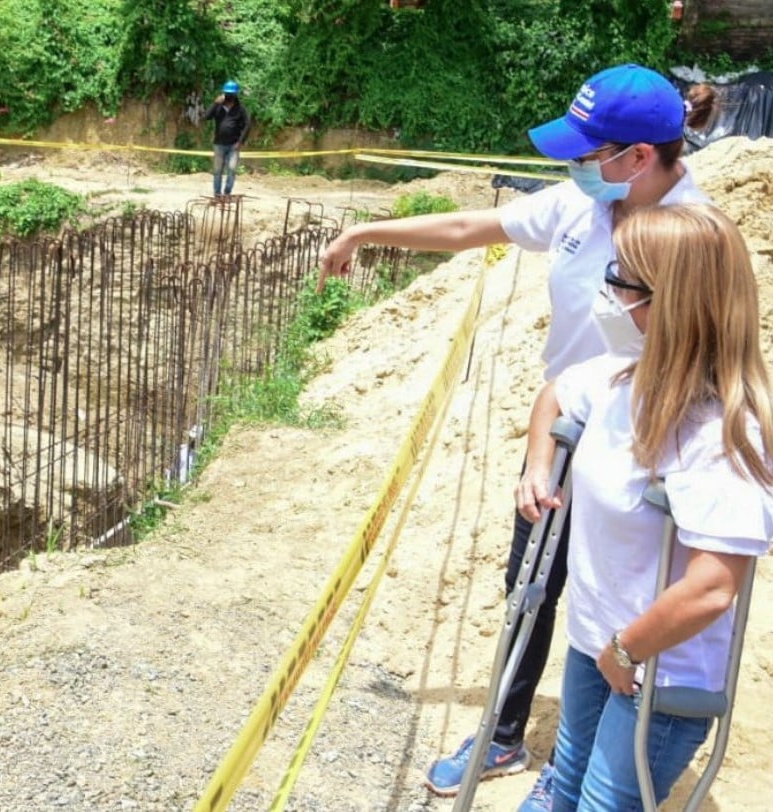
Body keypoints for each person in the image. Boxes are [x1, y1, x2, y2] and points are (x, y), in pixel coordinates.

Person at [317, 64, 718, 811]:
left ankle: (610, 763)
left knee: (627, 602)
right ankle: (506, 733)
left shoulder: (696, 235)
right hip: (565, 428)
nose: (575, 167)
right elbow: (469, 228)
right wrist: (366, 230)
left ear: (638, 156)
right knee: (532, 584)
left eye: (588, 153)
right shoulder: (579, 204)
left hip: (651, 451)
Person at [517, 203, 773, 811]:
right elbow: (554, 394)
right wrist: (536, 466)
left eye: (621, 279)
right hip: (597, 640)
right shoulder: (623, 376)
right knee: (566, 783)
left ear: (672, 302)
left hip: (657, 671)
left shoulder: (720, 434)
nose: (607, 291)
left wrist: (625, 649)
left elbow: (713, 587)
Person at [204, 80, 251, 199]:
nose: (229, 96)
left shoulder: (240, 109)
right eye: (227, 93)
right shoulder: (218, 107)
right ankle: (217, 193)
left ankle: (227, 192)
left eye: (231, 94)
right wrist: (215, 103)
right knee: (217, 171)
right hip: (219, 145)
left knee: (232, 170)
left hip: (233, 146)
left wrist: (241, 141)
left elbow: (247, 125)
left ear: (235, 95)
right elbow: (206, 116)